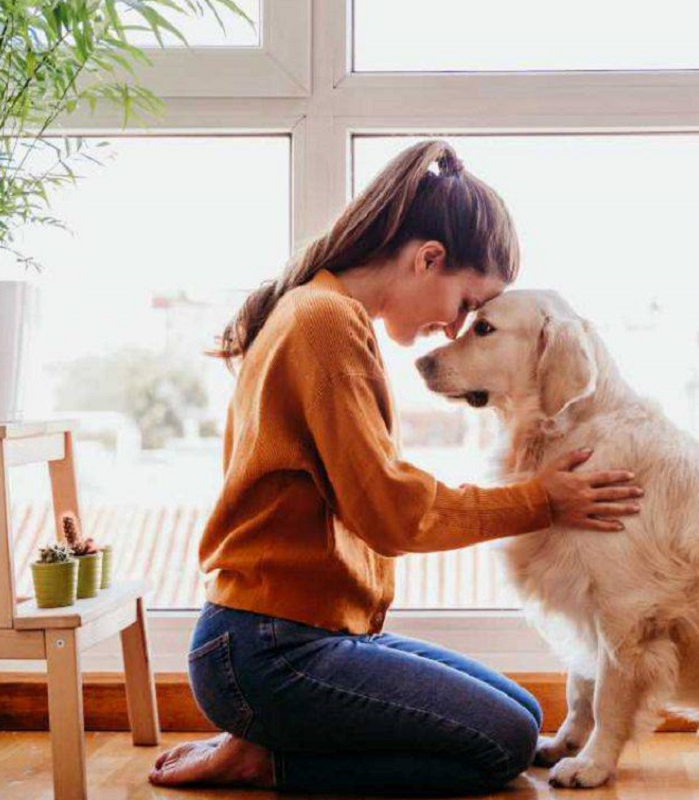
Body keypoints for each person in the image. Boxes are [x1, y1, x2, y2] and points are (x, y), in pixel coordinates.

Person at [149, 140, 643, 794]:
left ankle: (267, 738)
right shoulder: (324, 323)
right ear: (427, 258)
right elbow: (391, 513)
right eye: (466, 304)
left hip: (296, 637)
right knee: (502, 745)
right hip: (266, 651)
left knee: (523, 716)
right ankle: (269, 758)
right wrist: (541, 500)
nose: (453, 329)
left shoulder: (322, 310)